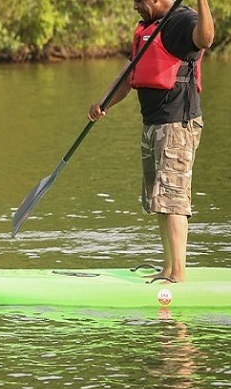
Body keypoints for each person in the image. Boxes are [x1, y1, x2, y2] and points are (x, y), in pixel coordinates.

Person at [88, 0, 214, 283]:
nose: (134, 6)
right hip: (153, 125)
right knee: (159, 201)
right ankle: (168, 268)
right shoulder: (147, 28)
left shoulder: (181, 21)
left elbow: (206, 38)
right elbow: (129, 75)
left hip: (177, 125)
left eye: (138, 1)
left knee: (173, 200)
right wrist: (104, 103)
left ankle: (179, 275)